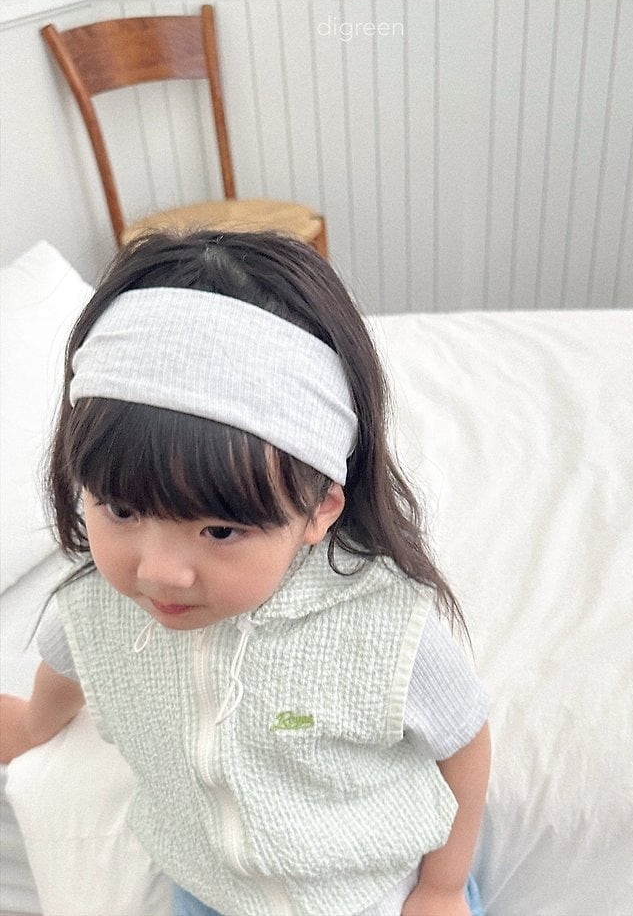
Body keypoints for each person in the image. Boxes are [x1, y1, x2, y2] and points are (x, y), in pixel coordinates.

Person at [0, 231, 491, 916]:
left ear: (318, 509)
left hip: (370, 892)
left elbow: (464, 740)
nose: (159, 572)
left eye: (220, 531)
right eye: (122, 509)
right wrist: (33, 725)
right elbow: (67, 661)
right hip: (211, 892)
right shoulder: (96, 609)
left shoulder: (384, 629)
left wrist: (441, 886)